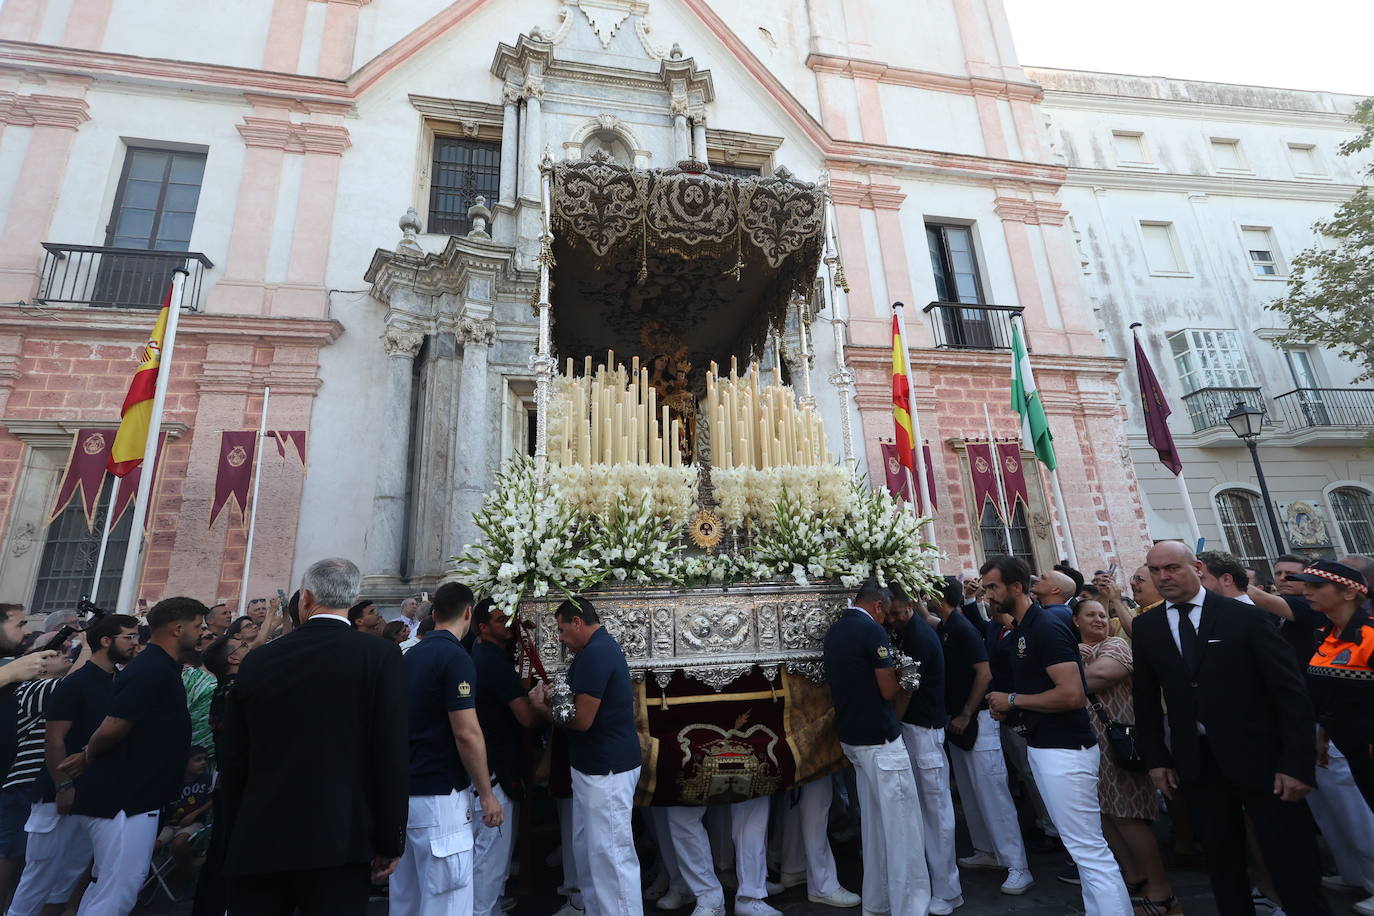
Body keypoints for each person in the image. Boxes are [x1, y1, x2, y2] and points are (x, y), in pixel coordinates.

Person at [1131, 541, 1330, 916]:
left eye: (1172, 568)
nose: (1163, 577)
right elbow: (1145, 698)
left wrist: (1296, 762)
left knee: (1292, 863)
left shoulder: (1243, 616)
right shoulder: (1147, 626)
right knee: (1223, 866)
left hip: (1265, 760)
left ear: (1197, 567)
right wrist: (1156, 758)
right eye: (1155, 570)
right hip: (1198, 763)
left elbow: (1289, 693)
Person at [219, 558, 408, 915]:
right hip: (341, 835)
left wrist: (236, 829)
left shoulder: (259, 660)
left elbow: (234, 756)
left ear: (305, 597)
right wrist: (390, 838)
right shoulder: (379, 655)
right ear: (352, 600)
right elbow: (391, 753)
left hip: (262, 831)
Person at [983, 556, 1131, 916]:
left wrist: (1013, 699)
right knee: (1082, 848)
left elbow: (1071, 694)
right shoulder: (1026, 627)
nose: (987, 595)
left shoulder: (1046, 627)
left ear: (1015, 588)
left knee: (1089, 850)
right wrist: (1013, 706)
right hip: (1045, 744)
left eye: (992, 587)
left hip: (1064, 750)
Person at [55, 597, 205, 915]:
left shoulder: (160, 666)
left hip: (135, 797)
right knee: (119, 890)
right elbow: (114, 725)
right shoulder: (151, 668)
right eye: (197, 625)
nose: (202, 631)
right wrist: (87, 755)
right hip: (126, 801)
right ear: (178, 629)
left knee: (106, 886)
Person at [820, 581, 932, 916]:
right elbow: (886, 691)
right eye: (886, 614)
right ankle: (909, 906)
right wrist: (903, 678)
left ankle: (878, 902)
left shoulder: (835, 630)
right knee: (902, 828)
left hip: (852, 736)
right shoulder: (871, 632)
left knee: (873, 825)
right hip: (880, 739)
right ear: (878, 607)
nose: (887, 622)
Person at [394, 582, 503, 916]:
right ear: (469, 612)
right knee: (447, 902)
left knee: (407, 899)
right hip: (440, 796)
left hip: (406, 793)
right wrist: (486, 793)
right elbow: (467, 732)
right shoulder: (456, 658)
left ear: (435, 613)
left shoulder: (410, 654)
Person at [533, 597, 643, 916]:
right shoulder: (591, 651)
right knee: (593, 853)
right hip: (592, 765)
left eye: (562, 628)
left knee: (611, 855)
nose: (560, 636)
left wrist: (542, 708)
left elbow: (582, 720)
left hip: (606, 769)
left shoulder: (597, 653)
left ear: (578, 622)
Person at [1073, 599, 1178, 915]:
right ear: (1076, 621)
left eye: (1103, 615)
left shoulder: (1116, 644)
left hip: (1121, 742)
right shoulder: (1078, 650)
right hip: (1091, 746)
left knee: (1128, 814)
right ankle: (1134, 876)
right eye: (1090, 615)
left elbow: (1094, 678)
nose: (1099, 620)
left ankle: (1162, 892)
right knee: (1104, 814)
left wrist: (1064, 672)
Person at [941, 579, 1033, 894]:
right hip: (960, 721)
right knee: (971, 791)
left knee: (993, 793)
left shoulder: (963, 629)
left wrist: (967, 711)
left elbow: (985, 673)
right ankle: (987, 850)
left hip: (978, 718)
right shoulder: (949, 625)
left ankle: (1018, 864)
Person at [470, 598, 548, 916]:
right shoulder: (492, 661)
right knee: (491, 853)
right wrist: (544, 706)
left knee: (491, 853)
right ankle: (483, 909)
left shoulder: (484, 655)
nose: (509, 625)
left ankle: (489, 906)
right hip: (497, 768)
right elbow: (526, 718)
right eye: (502, 621)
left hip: (494, 762)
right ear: (483, 627)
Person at [891, 582, 962, 914]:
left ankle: (948, 890)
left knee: (936, 810)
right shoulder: (907, 631)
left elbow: (907, 688)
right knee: (924, 809)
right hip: (915, 727)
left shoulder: (918, 637)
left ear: (908, 606)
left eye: (895, 613)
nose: (891, 619)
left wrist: (893, 722)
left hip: (924, 729)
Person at [1287, 561, 1374, 807]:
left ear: (1349, 592)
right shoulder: (1325, 635)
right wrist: (1324, 734)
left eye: (1316, 585)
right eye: (1305, 585)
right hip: (1351, 749)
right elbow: (1330, 697)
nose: (1306, 591)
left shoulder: (1370, 636)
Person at [156, 745, 214, 896]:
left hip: (194, 823)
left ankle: (187, 877)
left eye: (205, 760)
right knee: (151, 846)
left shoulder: (206, 779)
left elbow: (212, 799)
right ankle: (149, 878)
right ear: (185, 763)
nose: (203, 763)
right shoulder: (174, 781)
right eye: (198, 760)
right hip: (170, 824)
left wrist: (195, 813)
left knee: (179, 843)